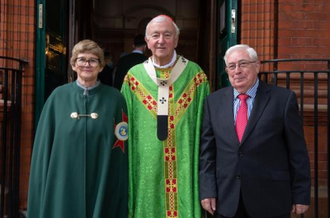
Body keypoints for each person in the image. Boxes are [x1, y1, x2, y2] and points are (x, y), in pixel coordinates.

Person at [199, 44, 311, 218]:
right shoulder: (212, 102)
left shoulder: (283, 99)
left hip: (271, 199)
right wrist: (207, 190)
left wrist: (301, 194)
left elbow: (297, 151)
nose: (237, 71)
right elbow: (207, 153)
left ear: (257, 66)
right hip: (226, 199)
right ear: (227, 71)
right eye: (232, 66)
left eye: (243, 64)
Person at [121, 15, 210, 217]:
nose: (161, 40)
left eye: (167, 35)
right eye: (155, 35)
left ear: (176, 40)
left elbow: (205, 126)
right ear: (147, 41)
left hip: (184, 163)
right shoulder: (133, 77)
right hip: (146, 163)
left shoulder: (195, 75)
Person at [27, 39, 128, 218]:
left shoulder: (115, 100)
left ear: (101, 66)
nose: (87, 64)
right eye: (81, 59)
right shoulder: (57, 97)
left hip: (101, 176)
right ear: (74, 65)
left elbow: (121, 147)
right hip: (63, 177)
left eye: (93, 60)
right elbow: (44, 148)